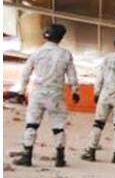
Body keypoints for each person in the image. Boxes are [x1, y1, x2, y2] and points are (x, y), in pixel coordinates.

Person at [14, 24, 79, 168]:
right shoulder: (65, 54)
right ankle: (60, 158)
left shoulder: (37, 53)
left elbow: (26, 73)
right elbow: (72, 75)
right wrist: (75, 91)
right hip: (56, 94)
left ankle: (27, 156)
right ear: (61, 37)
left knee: (31, 124)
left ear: (45, 35)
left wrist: (21, 91)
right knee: (58, 126)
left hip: (37, 93)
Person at [82, 33, 115, 164]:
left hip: (105, 95)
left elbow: (99, 77)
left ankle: (91, 150)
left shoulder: (107, 58)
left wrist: (96, 93)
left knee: (98, 123)